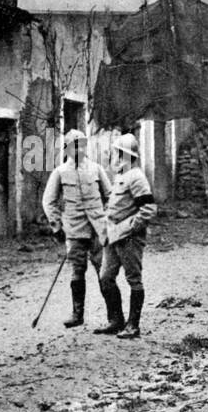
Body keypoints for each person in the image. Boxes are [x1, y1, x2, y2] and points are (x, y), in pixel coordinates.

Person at [42, 129, 111, 327]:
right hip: (74, 230)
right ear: (67, 149)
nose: (80, 148)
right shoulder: (60, 172)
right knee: (77, 271)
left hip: (98, 230)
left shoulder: (96, 169)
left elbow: (110, 196)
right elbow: (49, 201)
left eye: (82, 144)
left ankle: (113, 318)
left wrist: (105, 218)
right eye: (75, 145)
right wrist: (57, 226)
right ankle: (77, 314)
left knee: (104, 272)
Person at [94, 133, 157, 339]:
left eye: (119, 153)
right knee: (105, 278)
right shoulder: (120, 175)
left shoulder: (137, 177)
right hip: (112, 237)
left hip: (129, 238)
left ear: (128, 155)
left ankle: (133, 325)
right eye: (116, 153)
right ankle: (116, 320)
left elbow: (148, 208)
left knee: (133, 279)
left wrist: (129, 227)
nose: (115, 157)